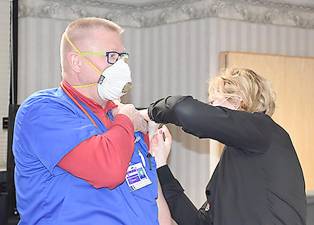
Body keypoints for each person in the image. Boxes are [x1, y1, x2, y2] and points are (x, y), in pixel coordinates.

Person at [13, 17, 171, 225]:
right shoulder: (42, 110)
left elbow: (146, 189)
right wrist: (127, 120)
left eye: (123, 56)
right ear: (77, 62)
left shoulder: (117, 116)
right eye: (112, 56)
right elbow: (109, 170)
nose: (121, 65)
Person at [146, 68, 307, 225]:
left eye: (213, 102)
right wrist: (161, 165)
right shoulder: (237, 158)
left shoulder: (264, 130)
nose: (210, 108)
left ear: (237, 101)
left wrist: (150, 113)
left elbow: (185, 111)